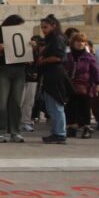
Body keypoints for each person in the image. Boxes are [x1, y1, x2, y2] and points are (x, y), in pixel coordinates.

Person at [0, 14, 28, 143]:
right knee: (0, 103)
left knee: (16, 103)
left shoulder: (22, 36)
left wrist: (32, 47)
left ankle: (15, 131)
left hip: (19, 70)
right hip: (2, 70)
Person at [36, 15, 70, 144]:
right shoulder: (51, 39)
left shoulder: (57, 38)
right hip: (50, 74)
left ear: (53, 26)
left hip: (55, 74)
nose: (43, 30)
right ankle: (56, 132)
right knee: (51, 107)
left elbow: (58, 57)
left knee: (56, 106)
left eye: (46, 27)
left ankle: (60, 133)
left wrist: (43, 60)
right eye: (42, 28)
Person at [64, 33, 99, 138]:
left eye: (83, 42)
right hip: (71, 85)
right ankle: (71, 127)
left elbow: (95, 71)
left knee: (84, 107)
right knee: (70, 107)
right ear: (73, 43)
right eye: (78, 41)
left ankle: (86, 128)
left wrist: (98, 83)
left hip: (85, 85)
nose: (80, 44)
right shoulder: (68, 56)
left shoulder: (89, 57)